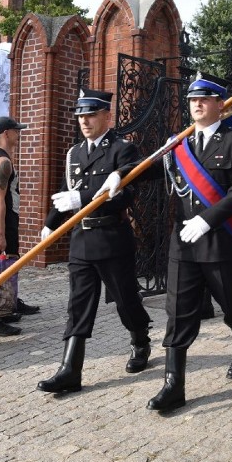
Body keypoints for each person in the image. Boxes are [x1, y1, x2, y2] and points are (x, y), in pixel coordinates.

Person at [98, 74, 232, 412]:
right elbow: (149, 169)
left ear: (220, 104)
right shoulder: (178, 143)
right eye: (192, 100)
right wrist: (121, 172)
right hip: (183, 243)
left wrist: (207, 219)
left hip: (218, 241)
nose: (196, 104)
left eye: (205, 99)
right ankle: (173, 384)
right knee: (177, 313)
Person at [37, 89, 153, 393]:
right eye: (80, 115)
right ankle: (69, 371)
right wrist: (50, 223)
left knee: (126, 300)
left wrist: (84, 197)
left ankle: (140, 340)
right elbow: (66, 189)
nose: (84, 121)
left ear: (106, 116)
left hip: (112, 238)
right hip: (81, 239)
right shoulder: (74, 153)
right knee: (78, 305)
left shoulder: (122, 150)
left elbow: (124, 196)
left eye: (90, 114)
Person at [0, 116, 39, 337]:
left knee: (5, 267)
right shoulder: (1, 161)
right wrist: (0, 233)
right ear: (6, 134)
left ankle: (4, 310)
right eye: (16, 130)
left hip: (1, 220)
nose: (19, 133)